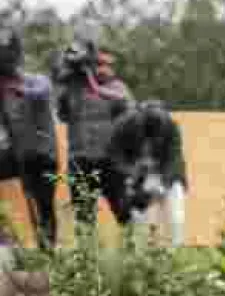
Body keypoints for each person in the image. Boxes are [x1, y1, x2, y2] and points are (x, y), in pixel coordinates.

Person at [54, 41, 135, 231]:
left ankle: (135, 251)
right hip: (80, 160)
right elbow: (62, 114)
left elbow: (129, 111)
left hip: (110, 161)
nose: (103, 69)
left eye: (106, 65)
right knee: (83, 217)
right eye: (98, 65)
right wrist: (68, 76)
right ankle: (87, 257)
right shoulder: (71, 90)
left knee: (123, 210)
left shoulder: (117, 87)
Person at [0, 28, 59, 251]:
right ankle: (3, 236)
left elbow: (41, 91)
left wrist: (19, 90)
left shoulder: (37, 81)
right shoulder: (2, 91)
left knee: (43, 207)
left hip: (44, 155)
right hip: (19, 154)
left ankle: (48, 254)